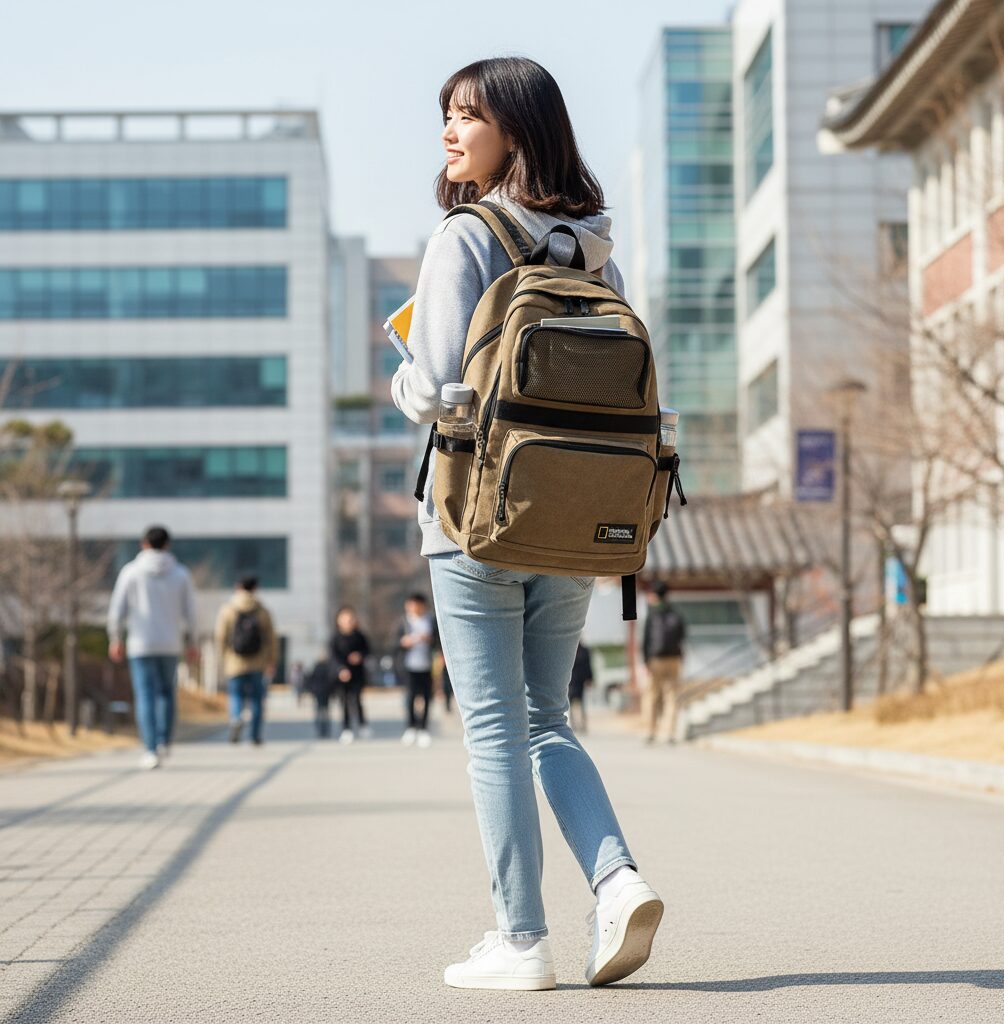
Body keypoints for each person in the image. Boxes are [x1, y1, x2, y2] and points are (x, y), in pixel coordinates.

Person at [390, 57, 663, 991]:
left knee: (495, 729)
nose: (449, 131)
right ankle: (618, 881)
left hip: (475, 518)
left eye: (468, 115)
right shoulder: (595, 251)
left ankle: (520, 940)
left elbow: (436, 388)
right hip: (577, 519)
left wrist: (401, 374)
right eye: (447, 114)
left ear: (514, 129)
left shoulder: (465, 235)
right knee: (548, 719)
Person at [107, 525, 198, 770]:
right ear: (167, 545)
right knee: (167, 693)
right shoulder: (181, 574)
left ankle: (150, 749)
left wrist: (115, 638)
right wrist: (193, 642)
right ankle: (164, 740)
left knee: (145, 695)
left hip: (140, 644)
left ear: (143, 544)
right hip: (170, 643)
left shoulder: (130, 572)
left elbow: (117, 610)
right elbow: (191, 613)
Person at [214, 575, 278, 746]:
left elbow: (220, 636)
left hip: (234, 662)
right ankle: (255, 735)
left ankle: (236, 718)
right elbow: (271, 638)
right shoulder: (262, 610)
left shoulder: (228, 609)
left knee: (236, 695)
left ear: (237, 587)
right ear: (255, 589)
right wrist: (272, 660)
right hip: (258, 662)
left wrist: (223, 657)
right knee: (257, 699)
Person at [642, 581, 686, 746]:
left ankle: (650, 731)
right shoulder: (675, 612)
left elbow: (646, 639)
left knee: (652, 695)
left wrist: (646, 660)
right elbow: (682, 635)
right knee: (672, 696)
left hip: (656, 660)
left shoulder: (652, 613)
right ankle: (670, 733)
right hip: (674, 659)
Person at [394, 593, 437, 748]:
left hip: (427, 666)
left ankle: (424, 728)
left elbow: (439, 641)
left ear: (423, 606)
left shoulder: (431, 620)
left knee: (426, 697)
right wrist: (404, 642)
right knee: (410, 698)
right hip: (409, 666)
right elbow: (394, 643)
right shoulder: (403, 622)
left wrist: (429, 639)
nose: (413, 608)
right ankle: (411, 727)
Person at [330, 606, 372, 744]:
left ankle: (362, 724)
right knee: (344, 701)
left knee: (357, 699)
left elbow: (367, 651)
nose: (348, 622)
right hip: (342, 675)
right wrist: (341, 669)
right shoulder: (335, 638)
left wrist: (359, 656)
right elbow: (334, 657)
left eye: (350, 619)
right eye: (345, 619)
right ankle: (346, 728)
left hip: (357, 673)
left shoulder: (359, 636)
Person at [305, 653, 334, 739]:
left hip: (318, 692)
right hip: (326, 692)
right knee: (325, 712)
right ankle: (326, 730)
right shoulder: (328, 668)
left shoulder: (316, 668)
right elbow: (331, 681)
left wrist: (312, 690)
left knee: (319, 711)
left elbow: (310, 680)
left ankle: (319, 729)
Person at [568, 642, 594, 735]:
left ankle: (583, 724)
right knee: (570, 703)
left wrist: (590, 678)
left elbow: (588, 665)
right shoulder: (568, 648)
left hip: (580, 681)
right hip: (571, 680)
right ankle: (574, 724)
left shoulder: (584, 650)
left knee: (582, 703)